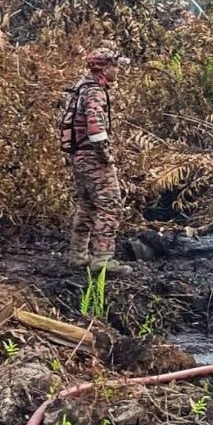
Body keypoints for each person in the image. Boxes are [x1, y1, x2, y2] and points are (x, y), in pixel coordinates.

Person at [61, 44, 133, 275]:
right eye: (115, 66)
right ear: (104, 68)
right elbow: (96, 128)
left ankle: (78, 255)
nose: (118, 71)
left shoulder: (80, 87)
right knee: (111, 206)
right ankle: (102, 259)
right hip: (93, 158)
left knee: (87, 205)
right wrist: (106, 156)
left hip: (79, 155)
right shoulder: (95, 92)